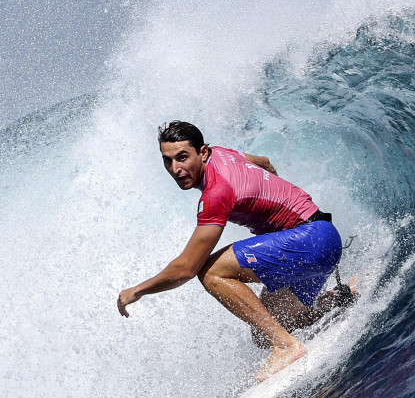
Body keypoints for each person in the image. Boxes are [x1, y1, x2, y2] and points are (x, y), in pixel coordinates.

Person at [117, 121, 351, 381]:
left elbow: (186, 268)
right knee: (264, 332)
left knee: (210, 272)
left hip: (310, 241)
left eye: (182, 157)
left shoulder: (216, 193)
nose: (176, 169)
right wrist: (275, 197)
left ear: (202, 152)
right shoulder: (222, 153)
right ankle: (336, 300)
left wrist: (137, 290)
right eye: (168, 161)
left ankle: (287, 347)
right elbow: (263, 162)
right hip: (322, 238)